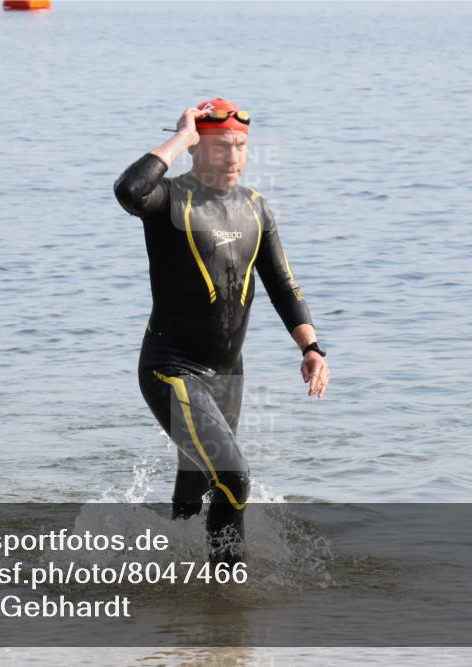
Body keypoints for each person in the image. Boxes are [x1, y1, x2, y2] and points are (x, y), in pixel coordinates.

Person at [113, 98, 331, 565]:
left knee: (196, 492)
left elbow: (282, 281)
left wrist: (310, 345)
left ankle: (180, 590)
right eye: (219, 147)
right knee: (234, 476)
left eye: (240, 146)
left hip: (227, 375)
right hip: (171, 369)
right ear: (196, 150)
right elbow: (129, 189)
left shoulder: (254, 206)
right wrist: (181, 136)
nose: (232, 157)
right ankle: (226, 595)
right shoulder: (168, 199)